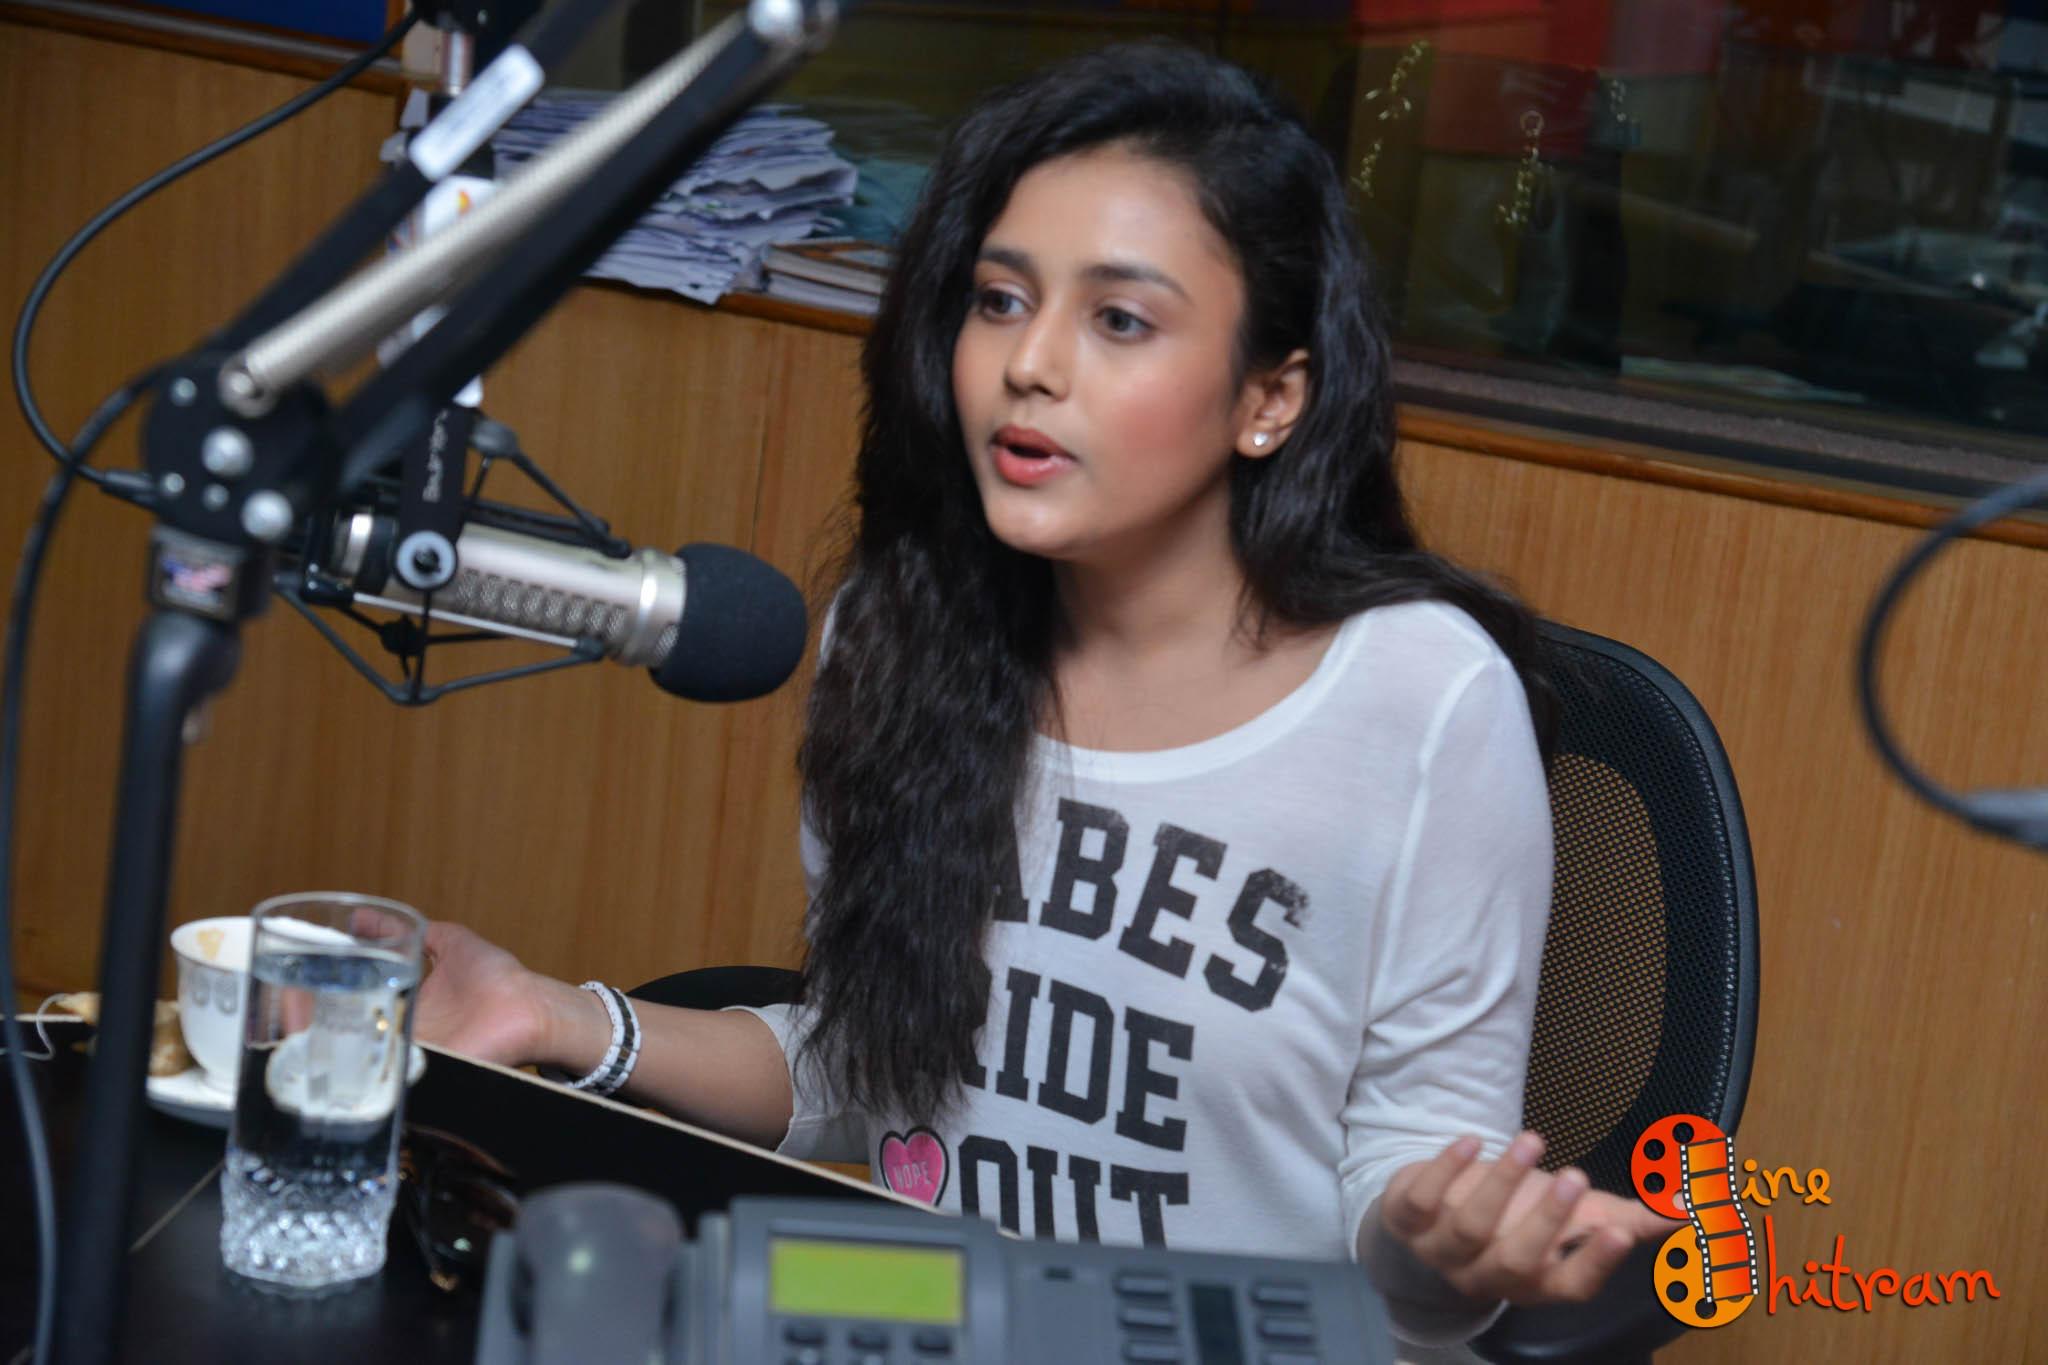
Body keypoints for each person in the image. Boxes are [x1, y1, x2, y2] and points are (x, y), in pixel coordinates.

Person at [414, 40, 1675, 1353]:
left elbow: (1415, 1234)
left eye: (1119, 319)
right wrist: (556, 1017)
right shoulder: (900, 634)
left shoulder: (1425, 702)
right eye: (1001, 299)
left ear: (1268, 397)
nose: (1031, 363)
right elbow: (867, 1066)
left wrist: (1443, 1240)